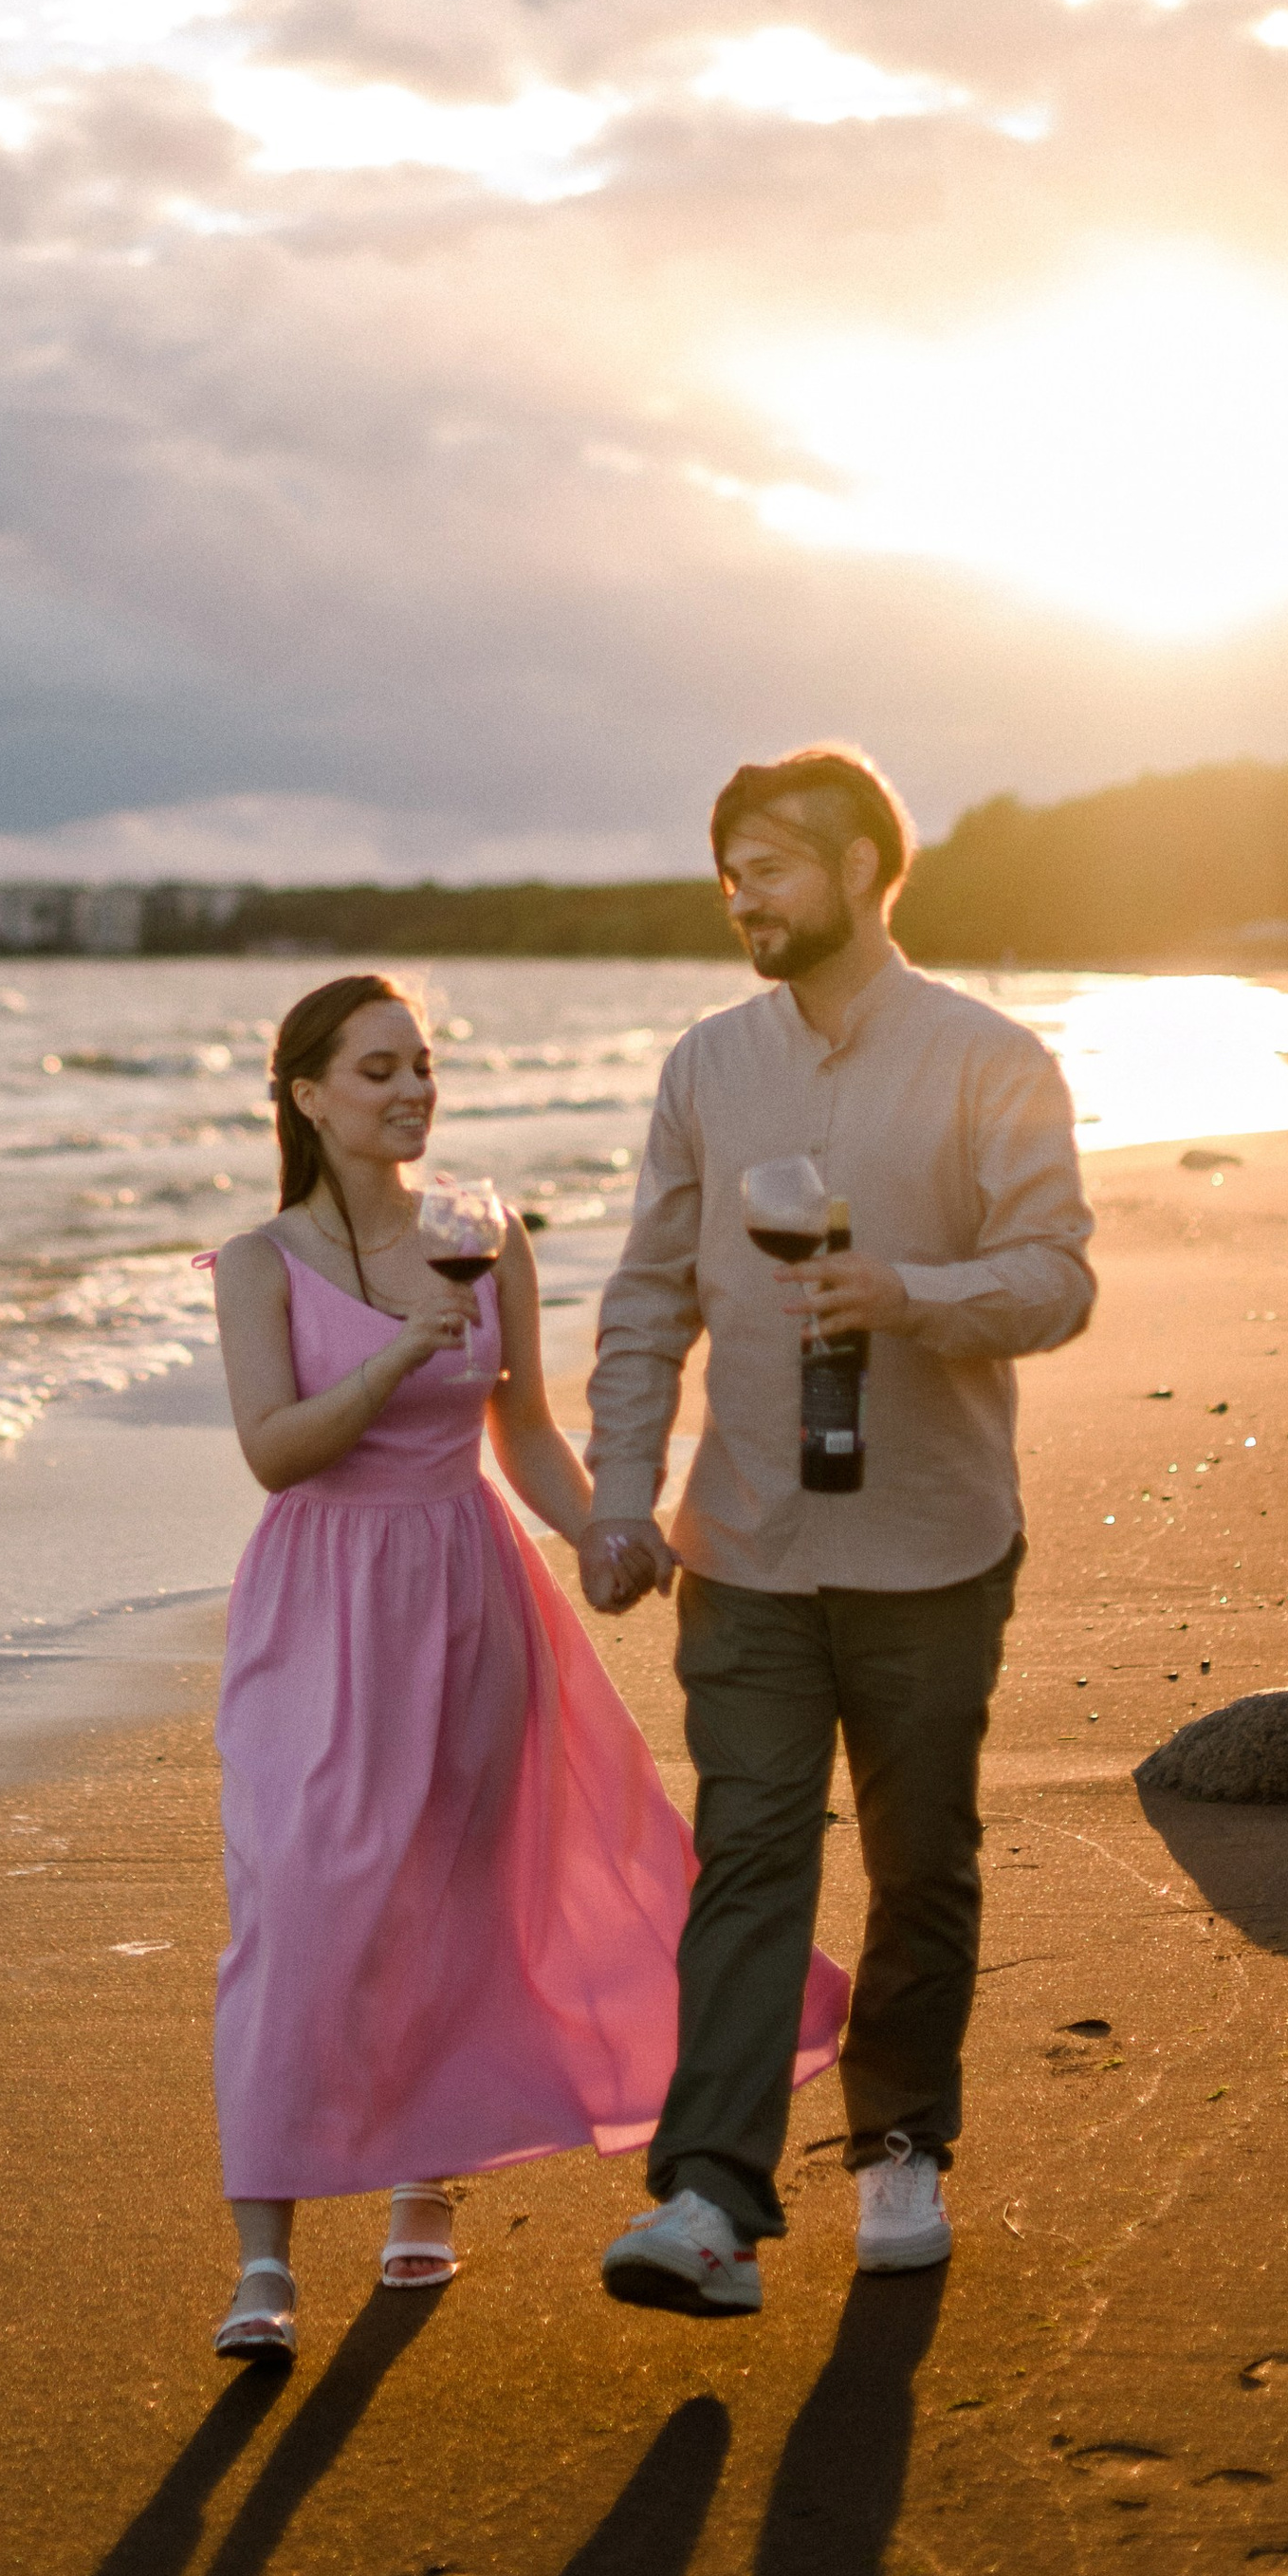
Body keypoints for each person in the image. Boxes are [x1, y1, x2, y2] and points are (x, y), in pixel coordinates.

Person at [205, 973, 846, 2365]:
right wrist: (394, 1363)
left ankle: (423, 2178)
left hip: (469, 1584)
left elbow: (527, 1433)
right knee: (302, 1895)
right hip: (322, 1602)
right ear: (307, 1097)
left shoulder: (483, 1234)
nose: (411, 1090)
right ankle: (263, 2262)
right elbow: (272, 1449)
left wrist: (607, 1528)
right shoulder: (259, 1262)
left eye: (422, 1065)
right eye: (376, 1070)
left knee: (460, 1883)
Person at [582, 746, 1095, 2319]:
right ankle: (711, 2202)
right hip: (741, 1542)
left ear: (870, 868)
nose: (744, 890)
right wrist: (617, 1494)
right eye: (728, 863)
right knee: (745, 1858)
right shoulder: (704, 1067)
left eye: (776, 862)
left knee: (923, 1858)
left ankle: (899, 2144)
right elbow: (649, 1297)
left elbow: (1057, 1277)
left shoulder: (988, 1057)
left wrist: (914, 1297)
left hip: (935, 1545)